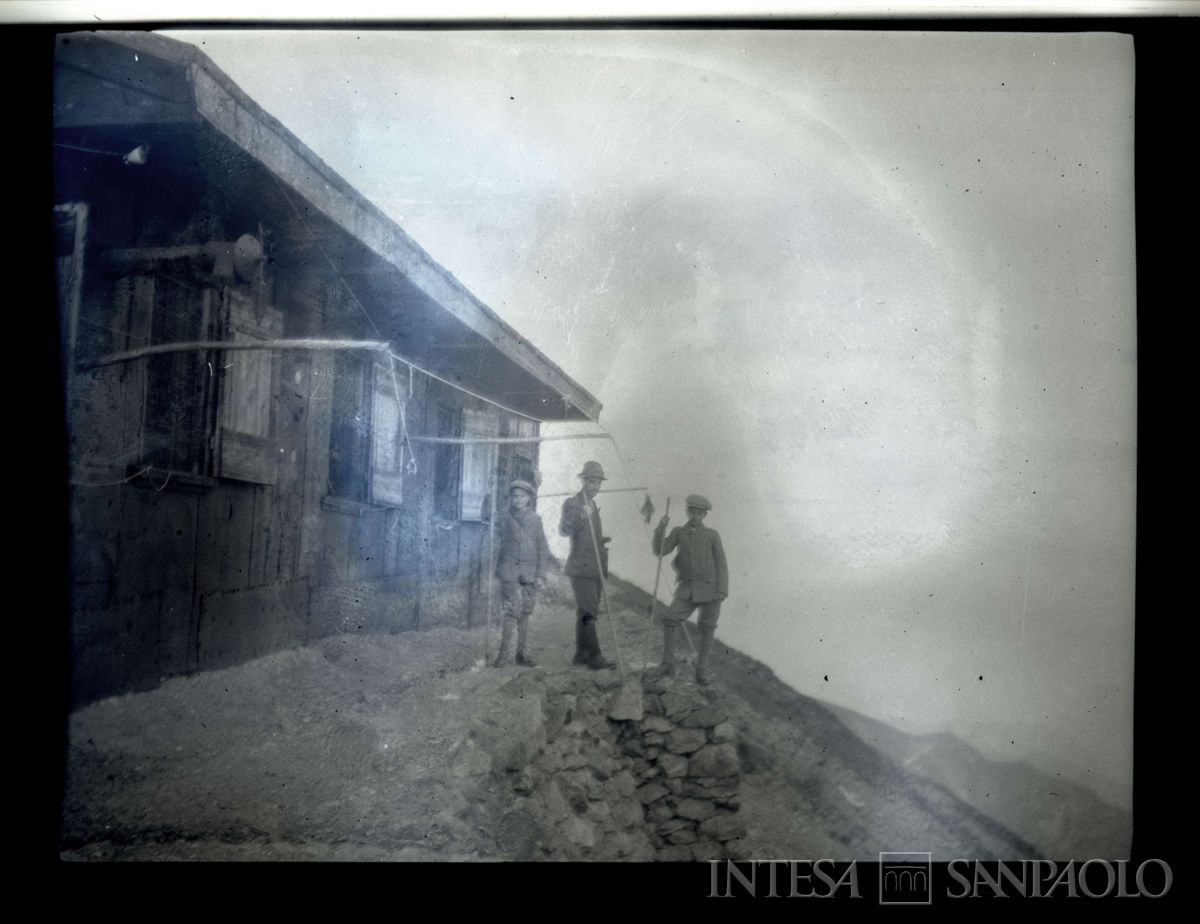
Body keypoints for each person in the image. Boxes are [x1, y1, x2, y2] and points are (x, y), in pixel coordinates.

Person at [651, 494, 728, 686]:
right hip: (687, 589)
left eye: (700, 513)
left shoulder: (712, 535)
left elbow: (722, 563)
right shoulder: (678, 532)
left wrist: (722, 590)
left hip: (711, 590)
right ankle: (668, 664)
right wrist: (661, 528)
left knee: (707, 629)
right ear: (687, 512)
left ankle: (700, 672)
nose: (696, 516)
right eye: (693, 512)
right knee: (670, 618)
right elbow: (660, 550)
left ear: (704, 515)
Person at [558, 461, 616, 670]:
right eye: (591, 481)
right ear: (583, 481)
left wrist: (601, 540)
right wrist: (580, 517)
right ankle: (595, 657)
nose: (595, 486)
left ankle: (581, 653)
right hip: (581, 567)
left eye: (598, 482)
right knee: (589, 611)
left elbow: (588, 536)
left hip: (595, 566)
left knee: (585, 610)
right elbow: (564, 530)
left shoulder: (592, 504)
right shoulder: (573, 503)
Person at [493, 479, 552, 668]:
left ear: (529, 499)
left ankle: (522, 654)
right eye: (515, 496)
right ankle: (503, 654)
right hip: (509, 573)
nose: (518, 500)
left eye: (522, 496)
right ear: (510, 498)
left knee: (526, 613)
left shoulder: (535, 520)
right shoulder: (502, 518)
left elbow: (543, 548)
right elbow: (491, 532)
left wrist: (541, 574)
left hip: (529, 574)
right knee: (512, 611)